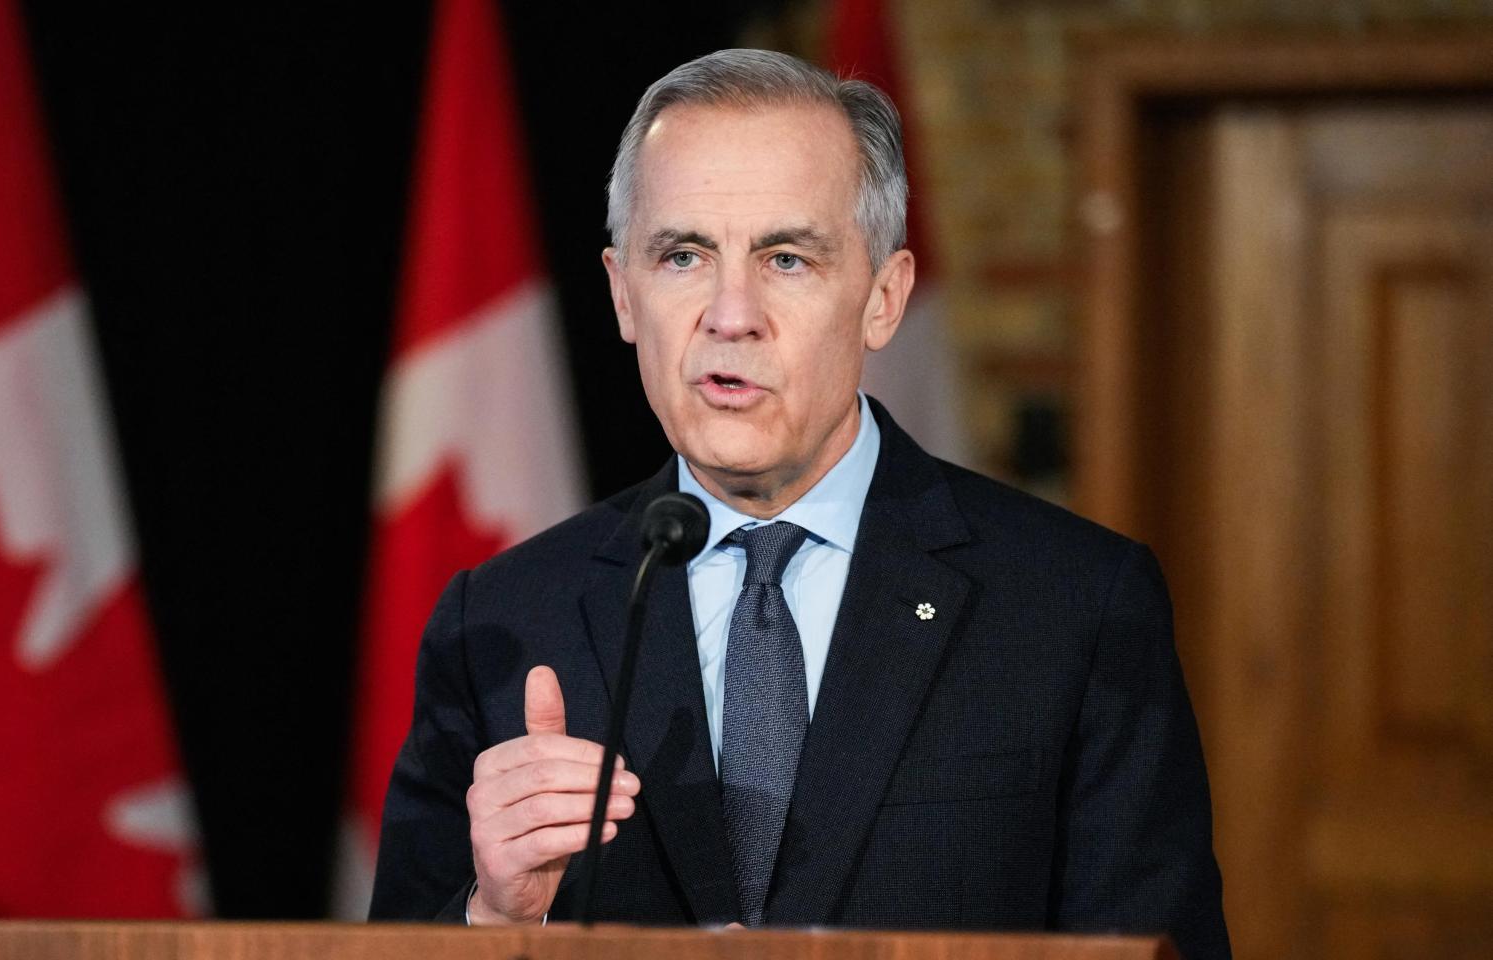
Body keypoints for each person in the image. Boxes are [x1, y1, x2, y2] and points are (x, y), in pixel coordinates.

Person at [369, 49, 1230, 959]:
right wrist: (498, 920)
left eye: (785, 258)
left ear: (884, 299)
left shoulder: (1073, 606)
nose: (729, 313)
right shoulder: (502, 621)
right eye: (683, 255)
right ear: (625, 294)